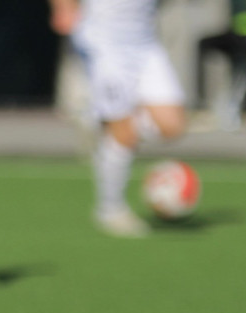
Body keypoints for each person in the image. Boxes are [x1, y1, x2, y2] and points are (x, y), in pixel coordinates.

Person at [49, 0, 188, 238]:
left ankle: (97, 122)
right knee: (124, 133)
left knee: (172, 126)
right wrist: (63, 7)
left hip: (145, 42)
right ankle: (110, 209)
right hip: (104, 43)